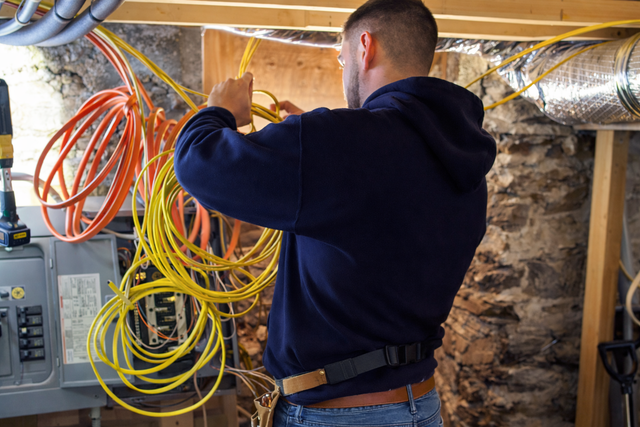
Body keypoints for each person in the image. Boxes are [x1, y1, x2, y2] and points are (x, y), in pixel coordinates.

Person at [174, 0, 496, 425]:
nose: (345, 68)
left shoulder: (342, 144)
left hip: (340, 414)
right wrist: (313, 148)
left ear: (366, 47)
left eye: (343, 56)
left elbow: (198, 162)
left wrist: (219, 113)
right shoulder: (461, 157)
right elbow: (378, 205)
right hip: (419, 405)